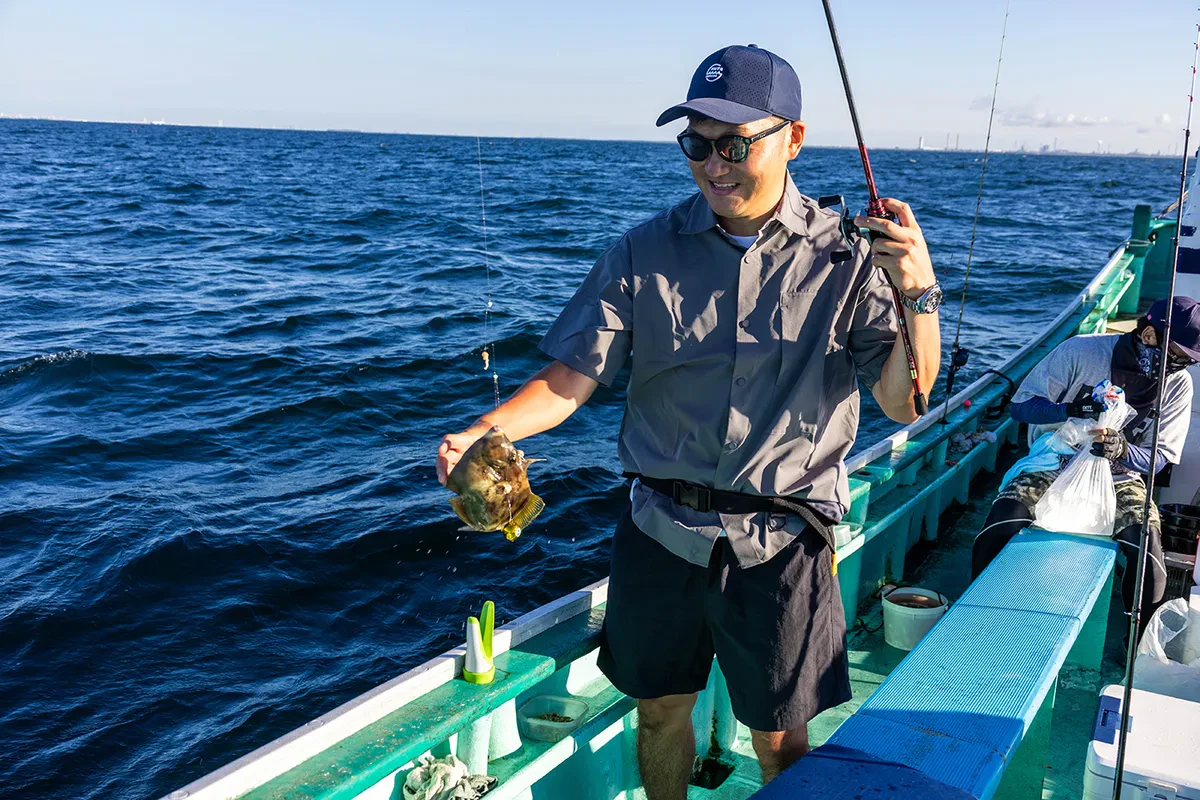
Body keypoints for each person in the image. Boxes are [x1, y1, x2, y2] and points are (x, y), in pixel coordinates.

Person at [436, 44, 942, 796]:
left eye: (736, 143)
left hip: (781, 541)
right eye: (698, 145)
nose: (715, 164)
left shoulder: (850, 256)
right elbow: (573, 376)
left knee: (779, 745)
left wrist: (918, 292)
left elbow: (907, 400)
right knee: (658, 716)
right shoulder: (643, 249)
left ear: (793, 139)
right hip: (659, 533)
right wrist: (485, 430)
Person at [972, 297, 1200, 634]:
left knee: (1148, 550)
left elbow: (1160, 457)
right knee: (1003, 520)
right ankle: (976, 615)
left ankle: (1135, 647)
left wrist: (1121, 449)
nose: (1179, 366)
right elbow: (1021, 407)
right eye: (1177, 355)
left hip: (1121, 476)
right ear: (1149, 335)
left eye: (1187, 362)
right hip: (1053, 460)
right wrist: (1070, 410)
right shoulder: (1081, 351)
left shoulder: (1178, 384)